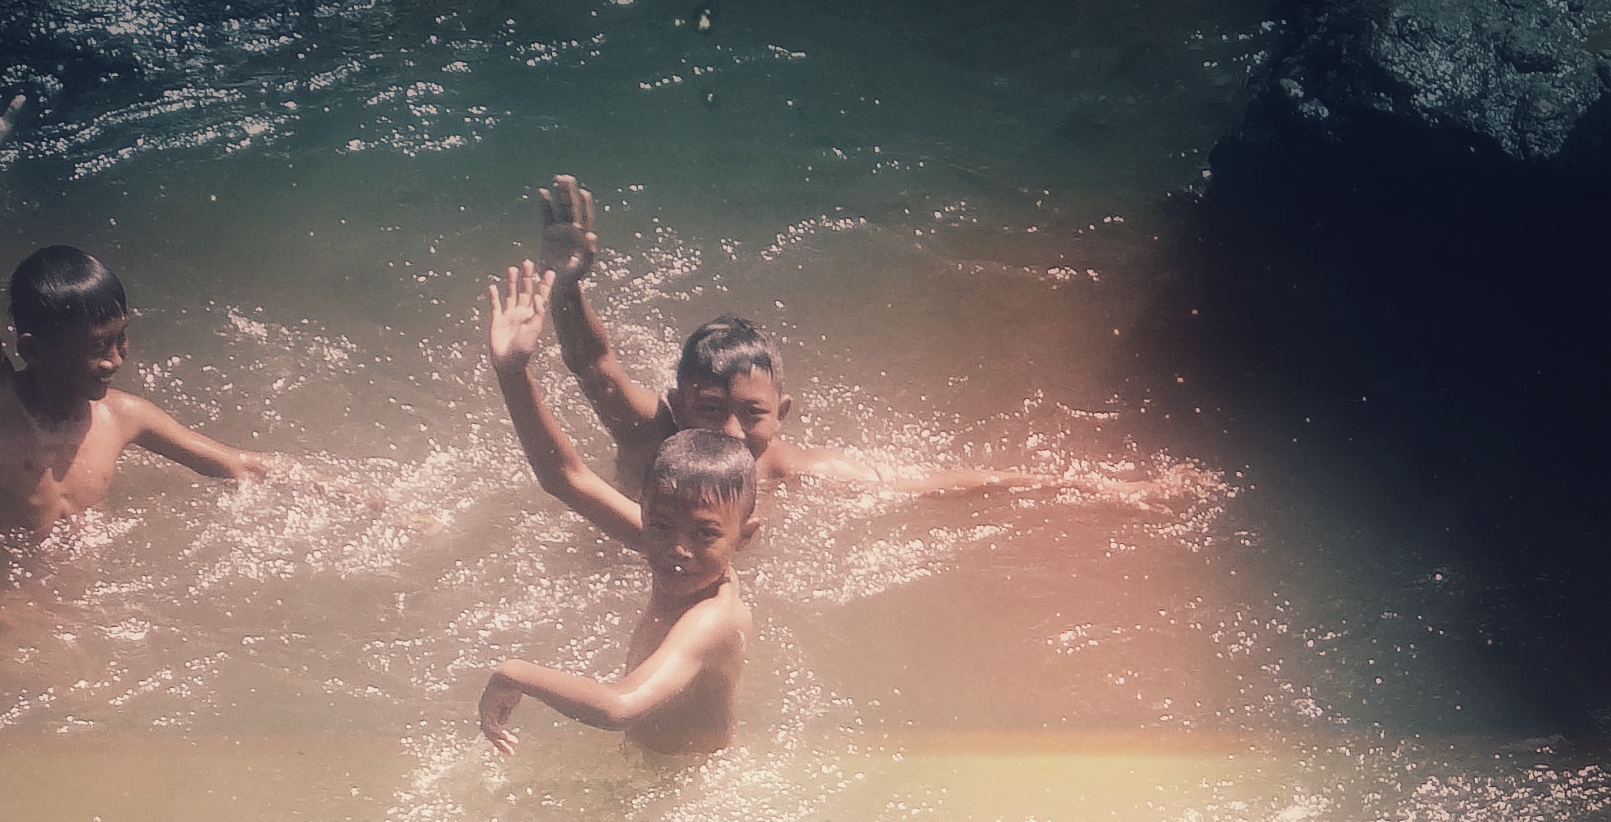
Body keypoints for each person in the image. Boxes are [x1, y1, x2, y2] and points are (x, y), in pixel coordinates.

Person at [535, 171, 1183, 506]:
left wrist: (1100, 490)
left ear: (781, 416)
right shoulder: (651, 434)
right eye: (709, 409)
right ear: (677, 400)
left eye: (752, 415)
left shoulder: (786, 468)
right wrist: (566, 286)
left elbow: (942, 483)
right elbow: (593, 365)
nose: (731, 430)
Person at [0, 53, 295, 535]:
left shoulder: (123, 417)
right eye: (96, 346)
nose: (116, 359)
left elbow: (238, 464)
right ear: (33, 349)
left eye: (120, 338)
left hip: (80, 575)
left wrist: (370, 500)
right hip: (0, 584)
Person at [478, 260, 755, 758]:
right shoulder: (677, 553)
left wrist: (515, 672)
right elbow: (565, 477)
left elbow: (619, 708)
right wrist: (513, 372)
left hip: (682, 790)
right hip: (652, 765)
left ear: (743, 536)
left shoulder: (712, 620)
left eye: (705, 534)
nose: (676, 548)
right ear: (646, 514)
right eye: (661, 525)